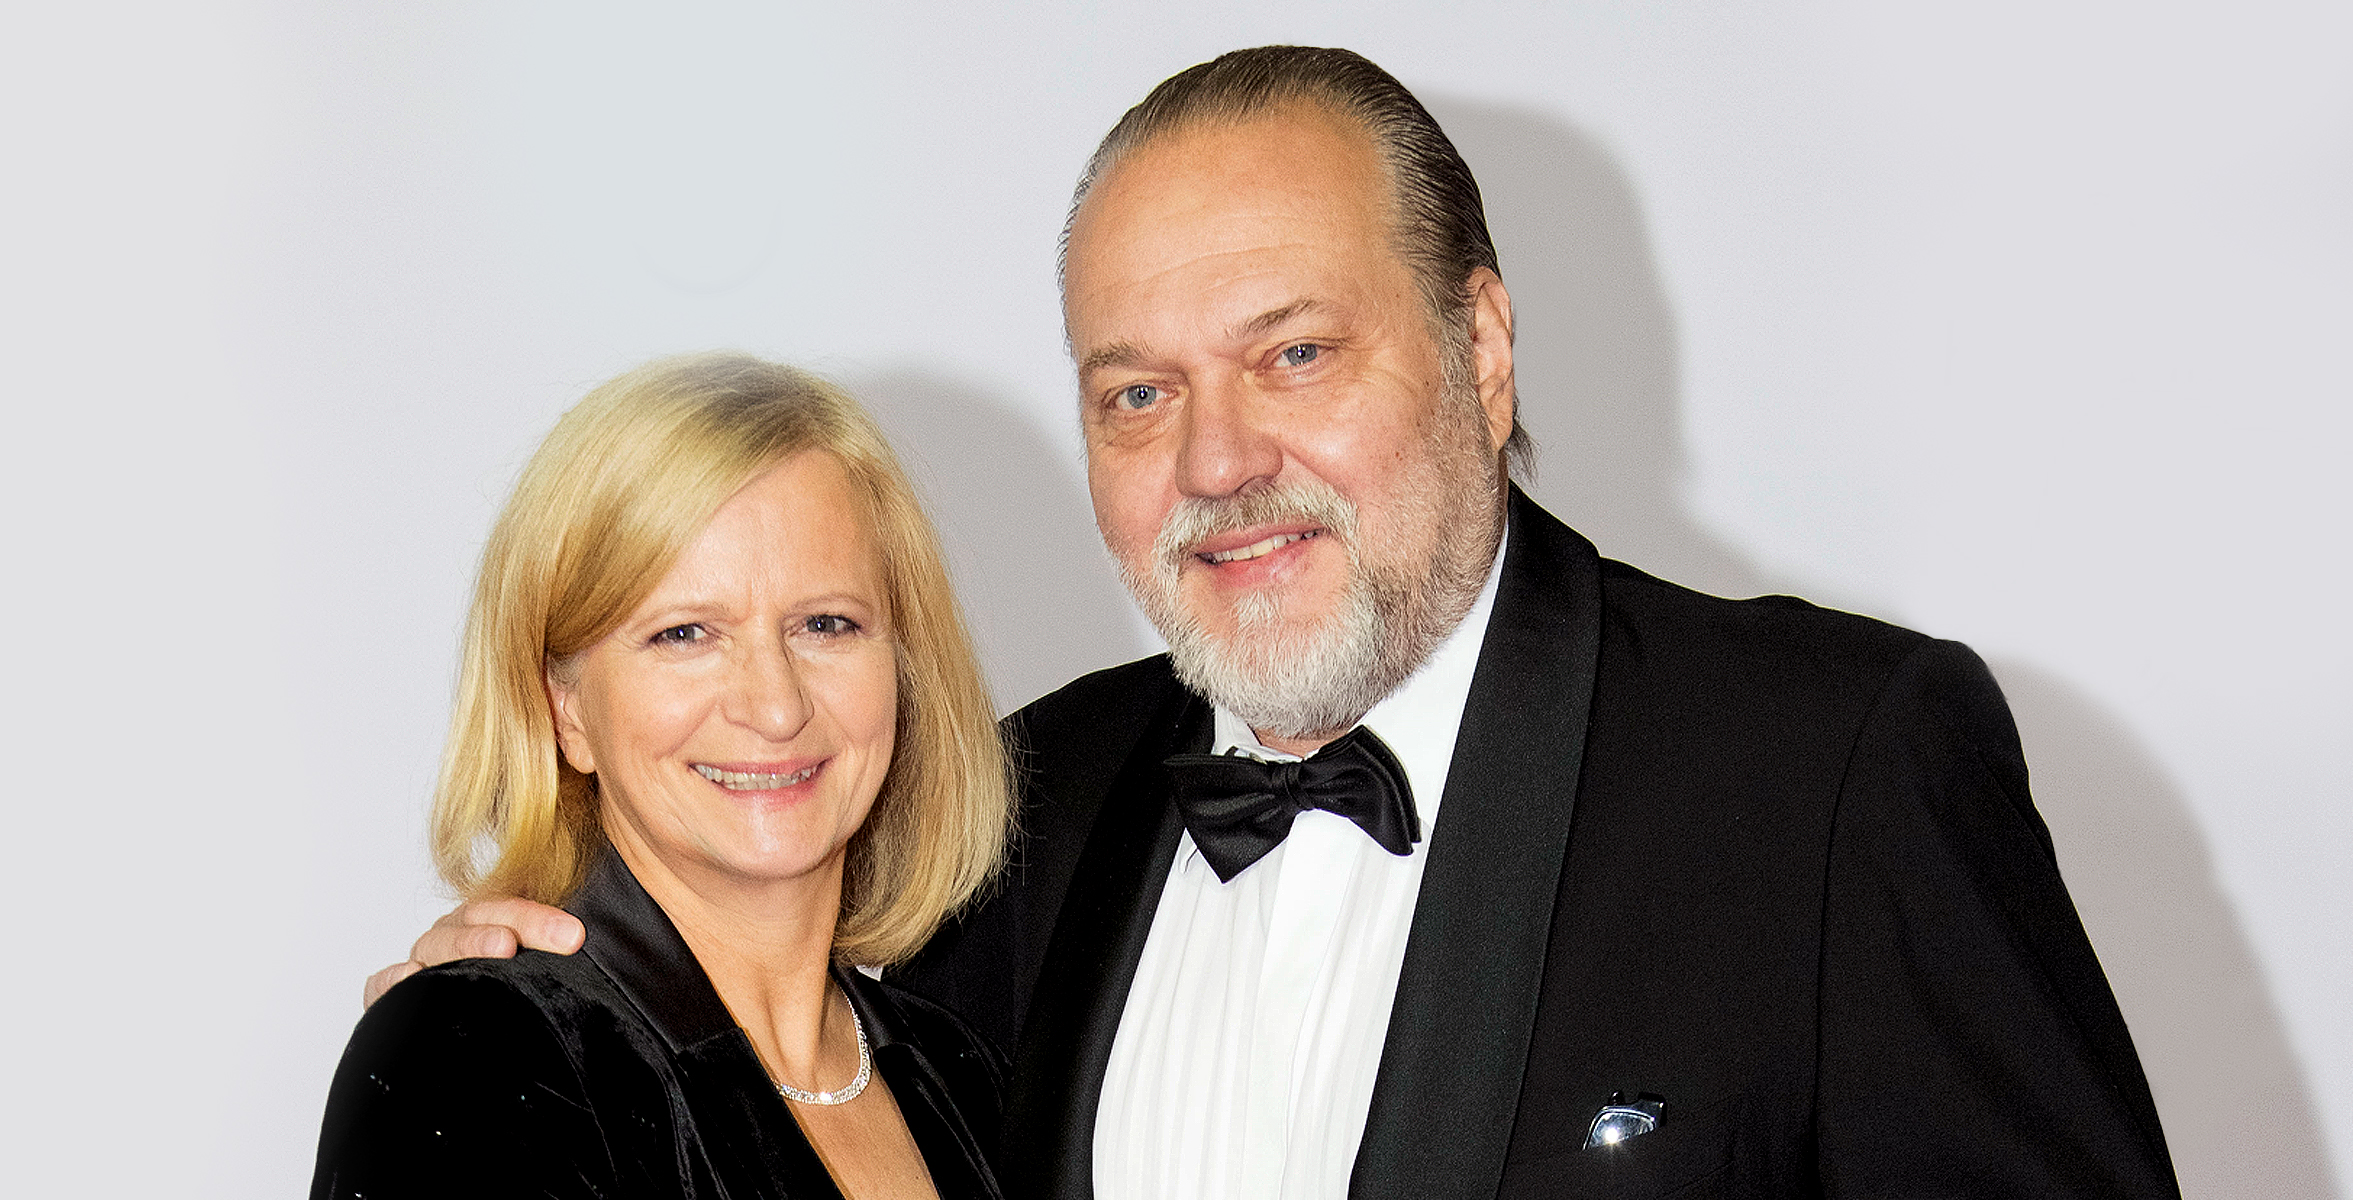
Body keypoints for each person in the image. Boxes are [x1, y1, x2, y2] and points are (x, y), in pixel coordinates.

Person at [379, 48, 2182, 1199]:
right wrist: (491, 1034)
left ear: (1482, 351)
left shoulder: (1827, 771)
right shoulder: (1027, 813)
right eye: (1136, 394)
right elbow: (714, 1050)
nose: (1219, 460)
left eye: (1294, 355)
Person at [316, 353, 1014, 1199]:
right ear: (566, 708)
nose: (775, 705)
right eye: (685, 634)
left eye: (825, 624)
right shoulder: (483, 1059)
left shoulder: (964, 1075)